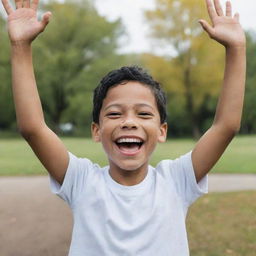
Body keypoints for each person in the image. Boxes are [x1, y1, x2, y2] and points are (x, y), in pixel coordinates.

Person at [1, 0, 246, 255]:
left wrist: (237, 49)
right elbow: (33, 128)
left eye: (143, 113)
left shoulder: (176, 181)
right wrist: (20, 46)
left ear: (162, 130)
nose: (129, 122)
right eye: (115, 114)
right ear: (96, 130)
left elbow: (225, 126)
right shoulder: (82, 181)